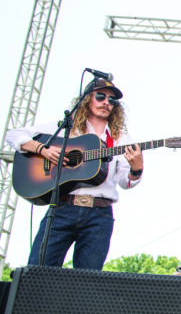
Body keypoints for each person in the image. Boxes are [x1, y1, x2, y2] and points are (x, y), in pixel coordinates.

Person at [4, 79, 143, 269]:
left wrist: (137, 169)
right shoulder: (66, 128)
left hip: (100, 215)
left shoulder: (120, 138)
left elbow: (124, 182)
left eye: (112, 101)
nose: (106, 103)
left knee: (86, 282)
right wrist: (42, 149)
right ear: (87, 99)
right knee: (37, 271)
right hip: (62, 207)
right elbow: (13, 135)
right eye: (101, 96)